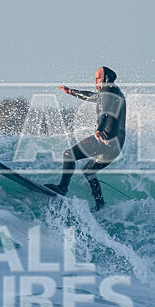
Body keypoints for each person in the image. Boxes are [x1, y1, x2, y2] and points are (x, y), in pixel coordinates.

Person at [45, 66, 126, 212]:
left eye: (98, 78)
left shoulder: (108, 90)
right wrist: (71, 92)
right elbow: (91, 96)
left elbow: (106, 113)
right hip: (116, 146)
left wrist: (99, 129)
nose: (95, 82)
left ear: (106, 78)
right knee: (89, 171)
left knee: (69, 155)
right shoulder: (115, 92)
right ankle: (100, 204)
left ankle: (62, 188)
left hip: (105, 140)